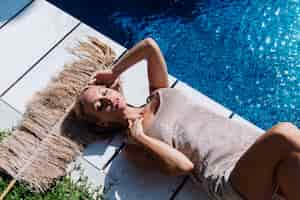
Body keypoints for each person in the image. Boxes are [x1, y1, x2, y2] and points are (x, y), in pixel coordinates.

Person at [74, 38, 300, 200]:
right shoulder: (132, 146)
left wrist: (114, 72)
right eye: (99, 106)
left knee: (292, 160)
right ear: (101, 122)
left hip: (255, 154)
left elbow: (149, 46)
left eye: (103, 93)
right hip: (228, 180)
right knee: (284, 134)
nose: (106, 99)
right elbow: (183, 166)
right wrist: (141, 137)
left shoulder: (158, 91)